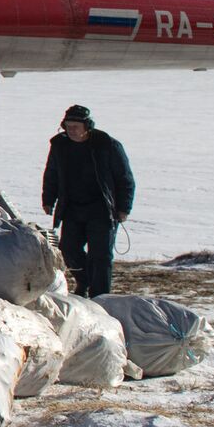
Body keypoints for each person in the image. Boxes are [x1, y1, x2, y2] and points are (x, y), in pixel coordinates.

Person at [40, 104, 135, 298]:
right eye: (68, 126)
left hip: (102, 209)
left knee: (100, 255)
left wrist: (124, 207)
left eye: (76, 126)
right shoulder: (59, 145)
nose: (72, 130)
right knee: (68, 249)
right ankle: (85, 281)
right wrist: (49, 199)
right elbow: (52, 173)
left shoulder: (107, 145)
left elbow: (124, 178)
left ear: (87, 126)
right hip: (73, 207)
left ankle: (100, 296)